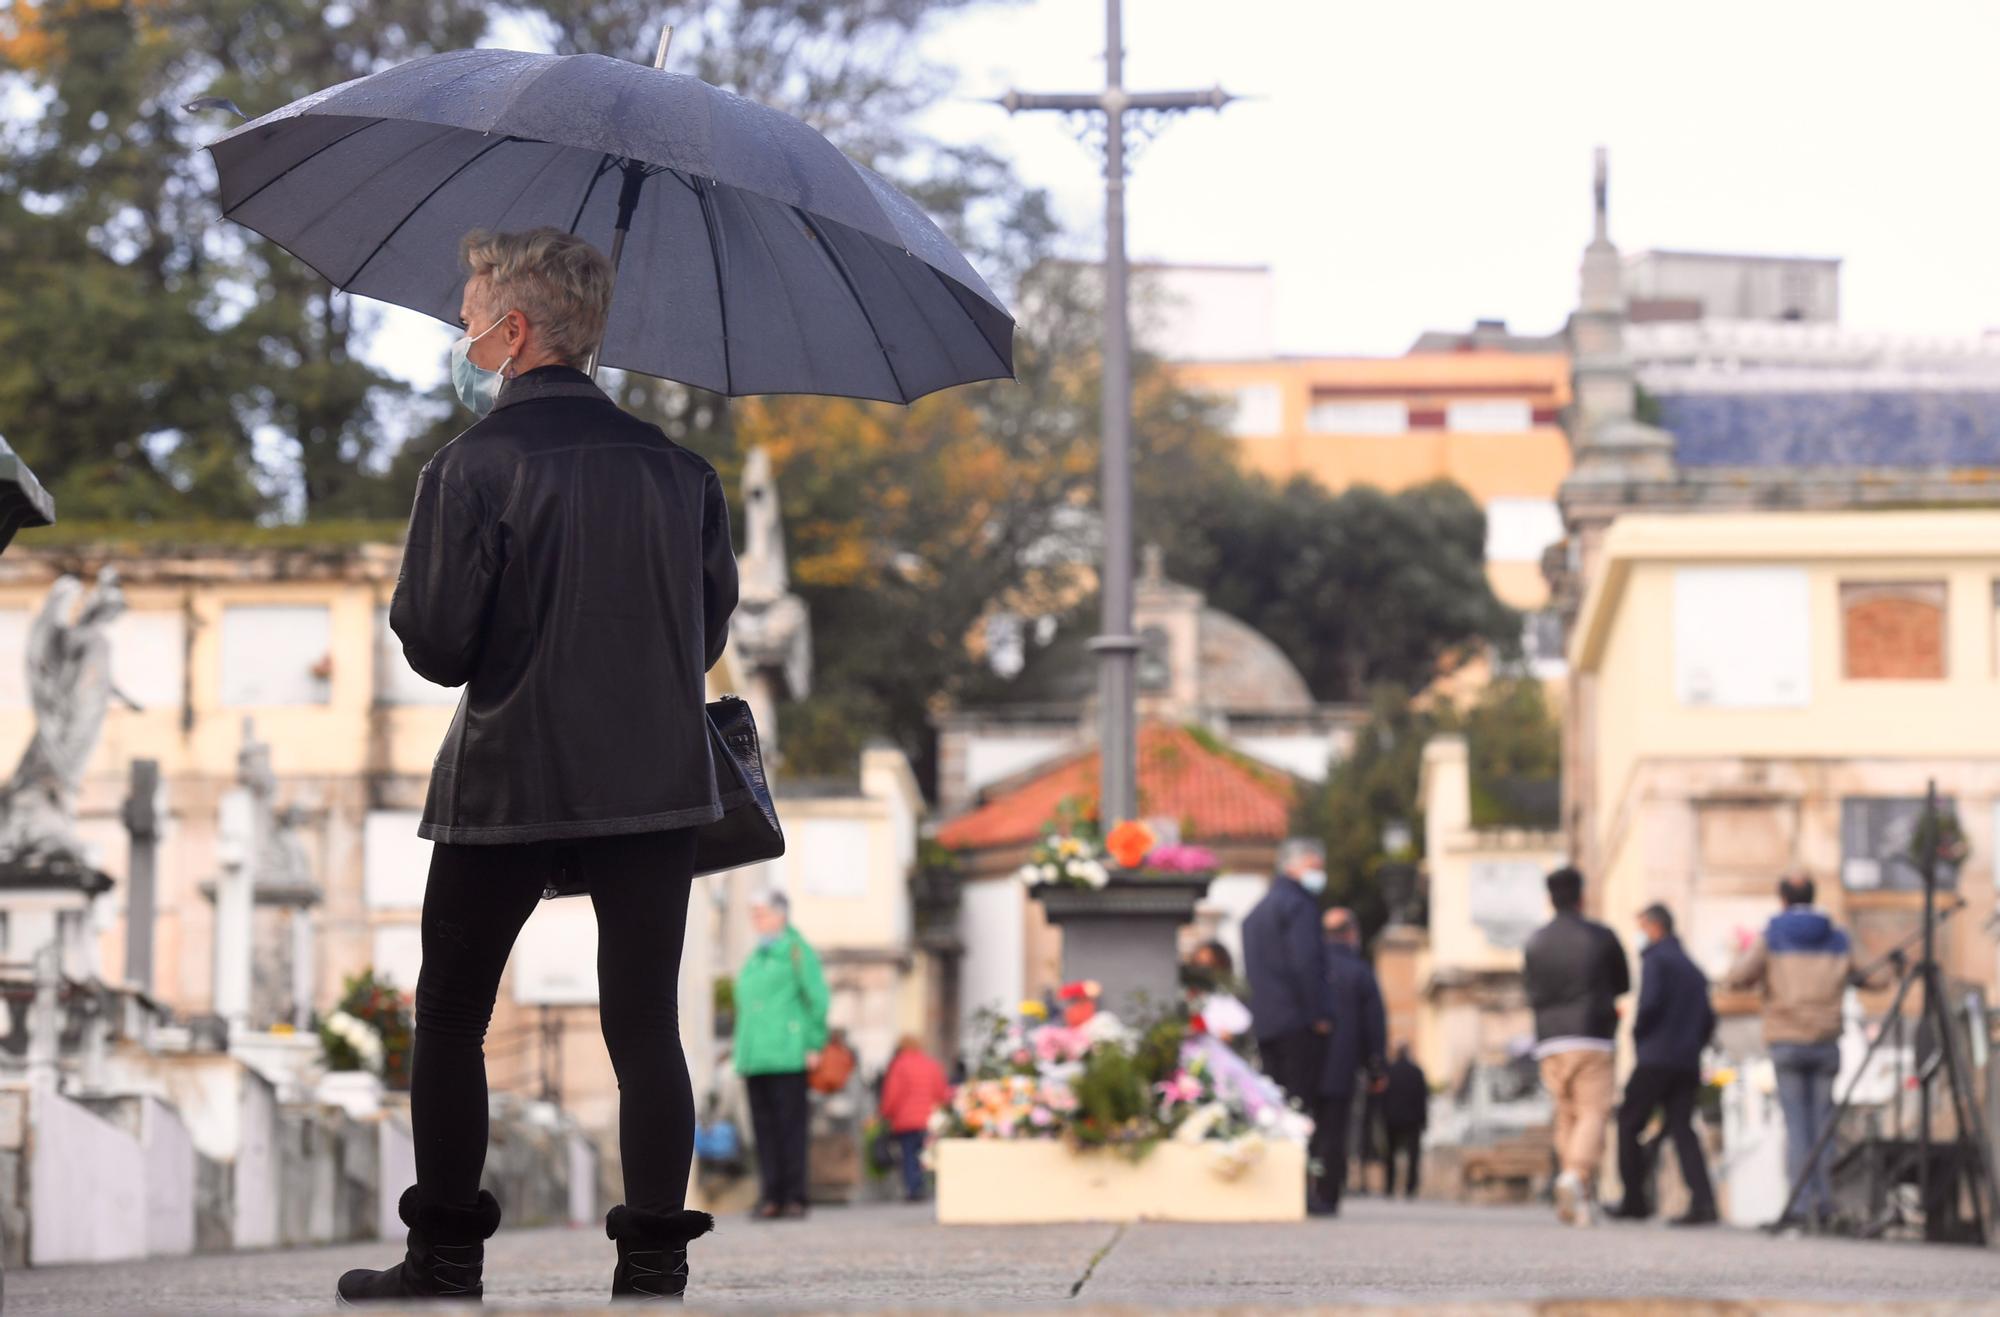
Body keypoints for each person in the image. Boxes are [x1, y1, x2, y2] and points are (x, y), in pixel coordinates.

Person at [338, 228, 737, 1305]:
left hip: (507, 776)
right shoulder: (683, 473)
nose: (463, 328)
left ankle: (445, 1260)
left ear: (515, 332)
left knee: (454, 1016)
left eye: (471, 312)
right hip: (653, 782)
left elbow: (438, 646)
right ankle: (653, 1259)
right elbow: (699, 638)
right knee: (644, 1020)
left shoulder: (468, 468)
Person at [1724, 873, 1865, 1229]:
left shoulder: (1773, 937)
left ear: (1783, 899)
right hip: (1826, 1040)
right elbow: (1875, 977)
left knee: (1797, 1125)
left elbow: (1738, 975)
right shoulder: (1838, 937)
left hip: (1787, 1040)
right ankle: (1826, 1202)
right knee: (1823, 1126)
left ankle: (1801, 1206)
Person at [1522, 866, 1629, 1228]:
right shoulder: (1600, 937)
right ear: (1582, 897)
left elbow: (1531, 990)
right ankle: (1576, 1175)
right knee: (1593, 1112)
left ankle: (1575, 1194)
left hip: (1549, 1039)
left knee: (1566, 1114)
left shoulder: (1535, 942)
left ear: (1550, 899)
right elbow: (1622, 983)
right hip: (1591, 1034)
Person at [1610, 904, 1718, 1226]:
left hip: (1657, 1057)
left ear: (1656, 927)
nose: (1640, 934)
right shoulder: (1691, 966)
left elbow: (1650, 1004)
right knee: (1682, 1128)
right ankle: (1704, 1202)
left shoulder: (1657, 960)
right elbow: (1708, 1019)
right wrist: (1693, 1046)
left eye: (1642, 926)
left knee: (1629, 1121)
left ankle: (1634, 1200)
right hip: (1686, 1061)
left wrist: (1639, 1035)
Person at [735, 890, 830, 1221]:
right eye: (755, 914)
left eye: (762, 913)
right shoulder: (756, 956)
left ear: (781, 916)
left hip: (788, 1054)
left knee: (790, 1128)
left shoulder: (796, 951)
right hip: (756, 1057)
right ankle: (770, 1195)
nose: (757, 920)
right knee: (763, 1130)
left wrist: (814, 1044)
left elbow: (817, 999)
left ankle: (794, 1196)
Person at [1312, 907, 1387, 1215]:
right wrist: (1376, 1066)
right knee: (1336, 1130)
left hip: (1306, 1063)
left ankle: (1302, 1189)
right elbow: (1374, 1023)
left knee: (1307, 1126)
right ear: (1351, 933)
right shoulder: (1359, 971)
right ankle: (1328, 1193)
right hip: (1343, 1065)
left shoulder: (1309, 966)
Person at [879, 1036, 952, 1203]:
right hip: (928, 1118)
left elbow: (892, 1093)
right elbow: (941, 1092)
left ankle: (913, 1189)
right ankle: (925, 1185)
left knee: (909, 1155)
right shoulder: (931, 1064)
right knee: (926, 1154)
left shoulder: (899, 1065)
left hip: (906, 1119)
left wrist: (885, 1113)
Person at [1379, 1045, 1429, 1199]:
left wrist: (1383, 1116)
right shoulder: (1416, 1072)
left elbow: (1383, 1098)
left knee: (1390, 1155)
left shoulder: (1390, 1071)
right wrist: (1423, 1120)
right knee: (1413, 1156)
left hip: (1392, 1119)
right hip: (1412, 1120)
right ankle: (1410, 1188)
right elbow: (1422, 1098)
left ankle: (1389, 1187)